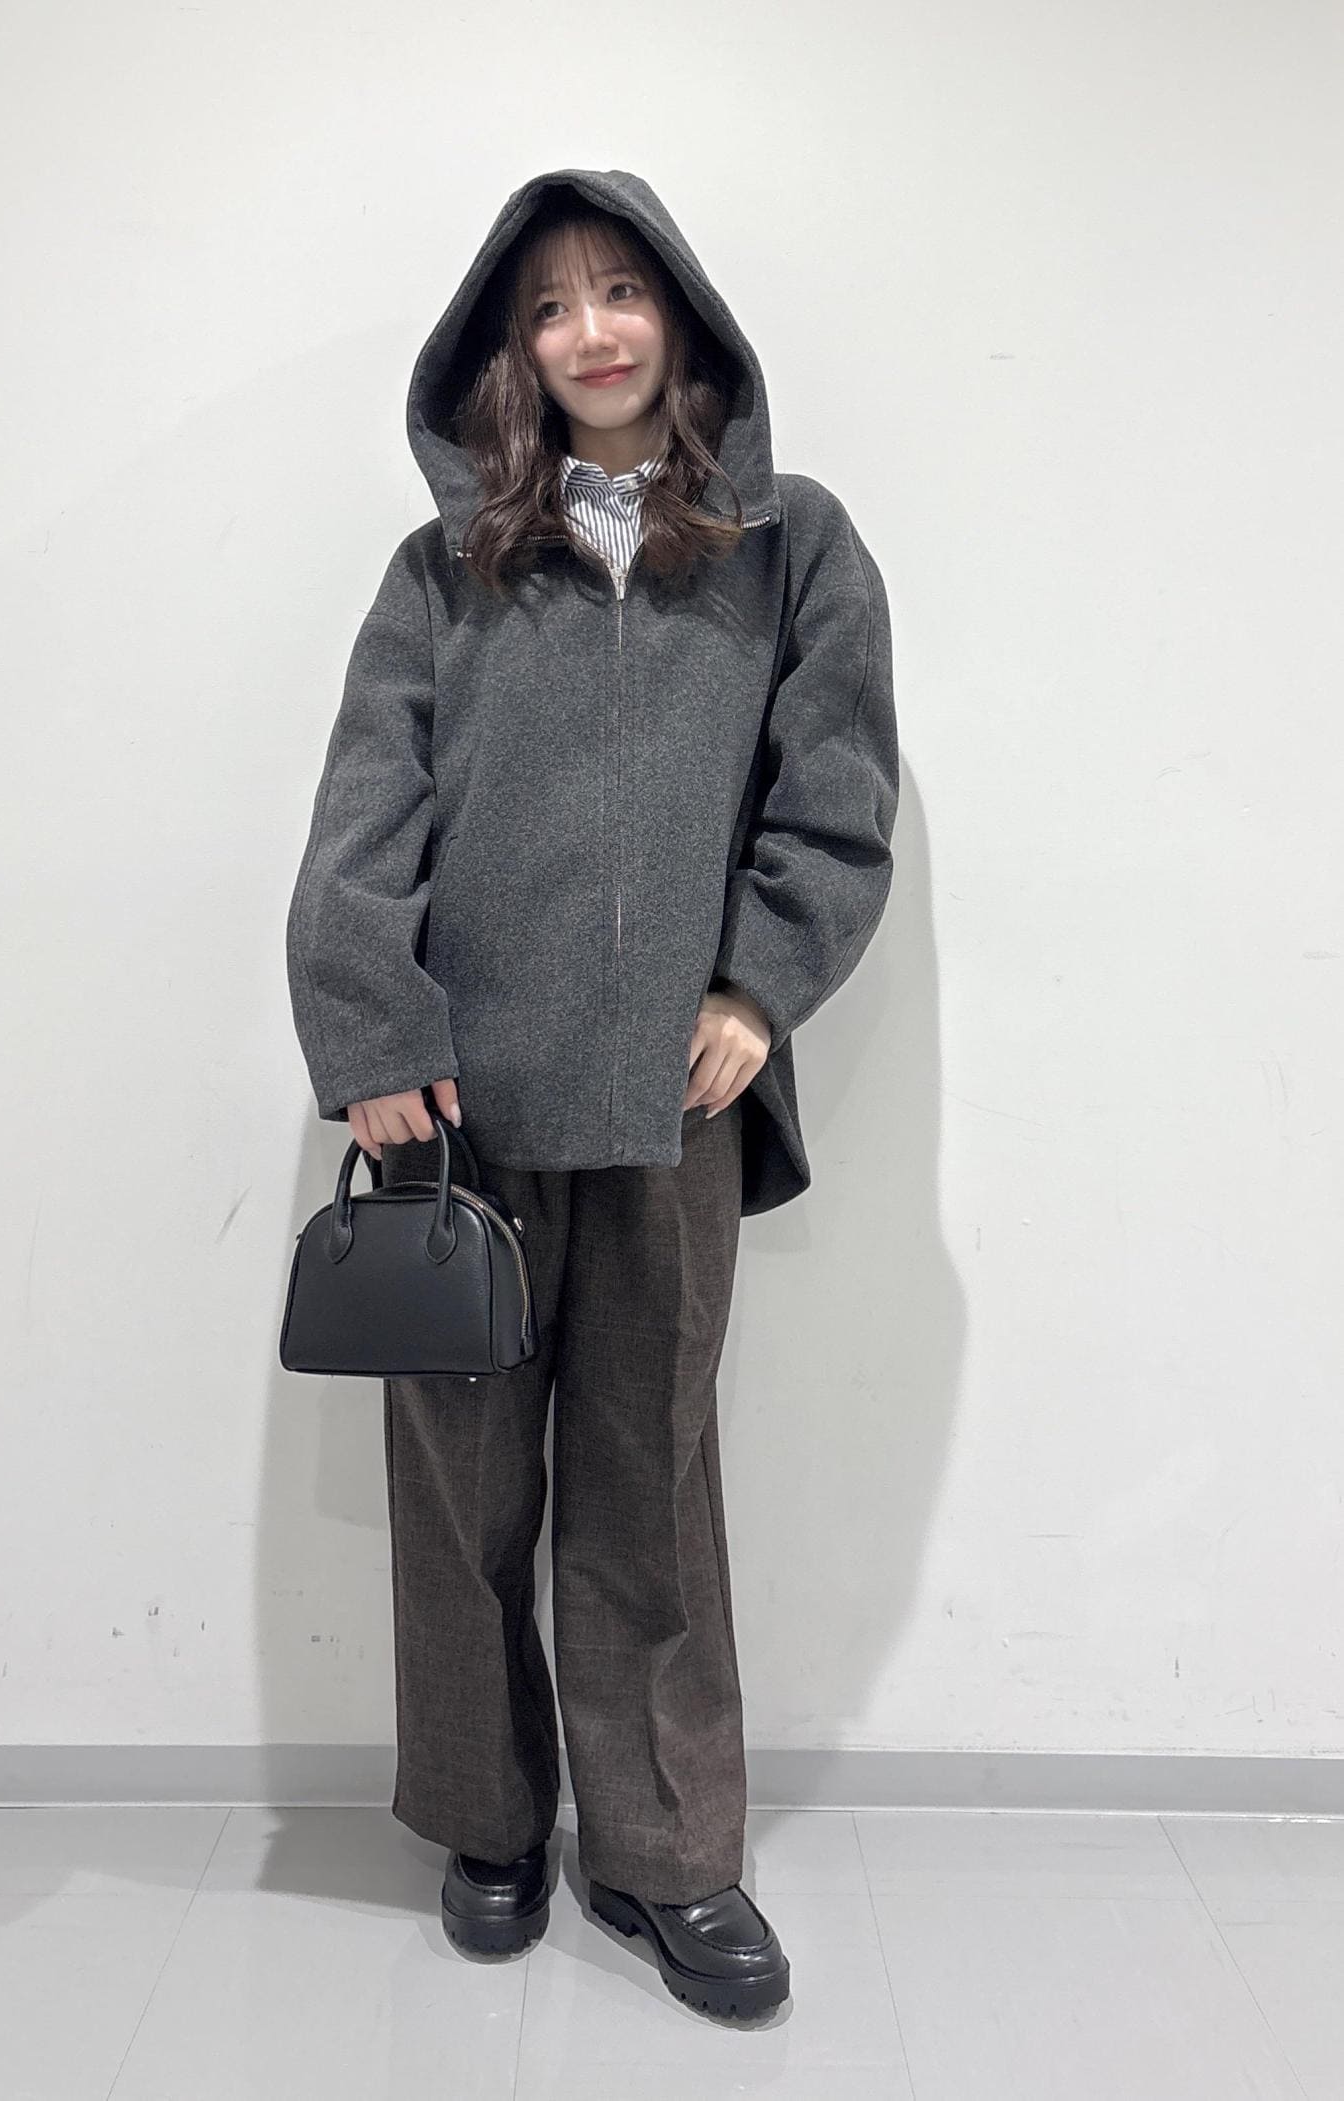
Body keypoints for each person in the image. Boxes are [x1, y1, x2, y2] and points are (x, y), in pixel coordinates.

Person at [285, 166, 898, 2022]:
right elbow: (363, 818)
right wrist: (372, 1034)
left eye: (619, 291)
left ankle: (664, 1852)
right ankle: (490, 1821)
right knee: (461, 1494)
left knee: (652, 1489)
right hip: (459, 1115)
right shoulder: (443, 570)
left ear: (680, 315)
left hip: (671, 1106)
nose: (590, 332)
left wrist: (758, 987)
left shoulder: (790, 546)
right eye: (548, 306)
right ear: (512, 350)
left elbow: (836, 802)